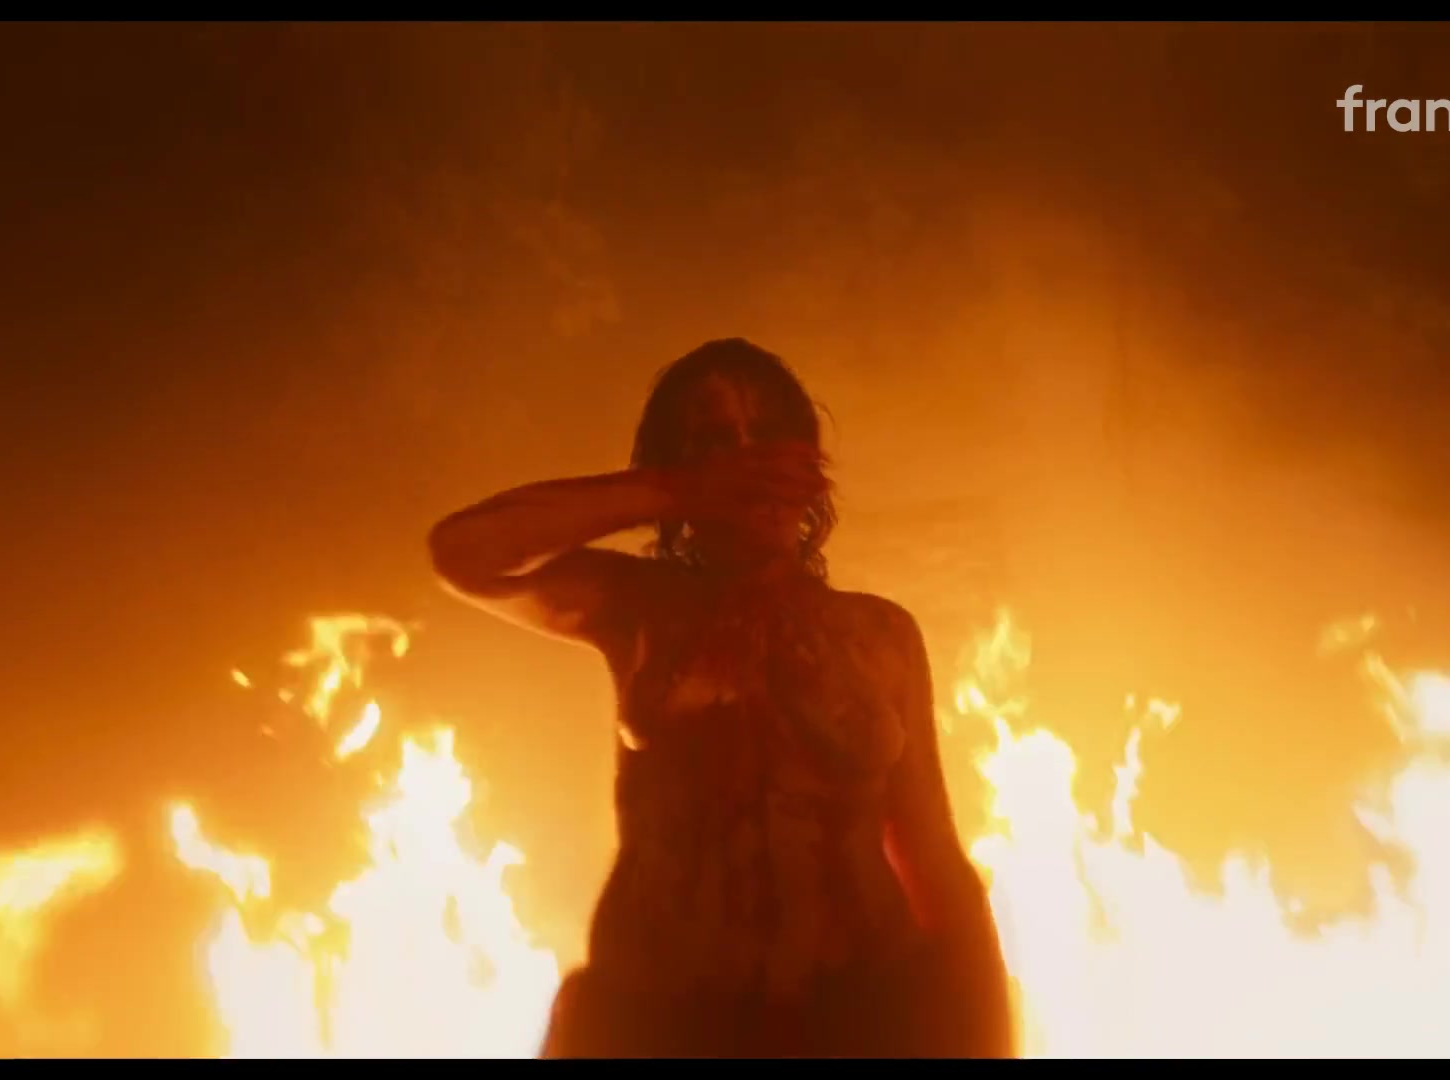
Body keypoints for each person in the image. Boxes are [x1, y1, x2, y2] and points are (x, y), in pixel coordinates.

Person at [427, 338, 1014, 1058]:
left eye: (766, 437)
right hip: (662, 1021)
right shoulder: (636, 607)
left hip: (858, 1016)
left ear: (807, 465)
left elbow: (933, 857)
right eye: (715, 442)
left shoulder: (879, 635)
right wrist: (673, 490)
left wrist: (986, 1036)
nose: (746, 461)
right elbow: (465, 553)